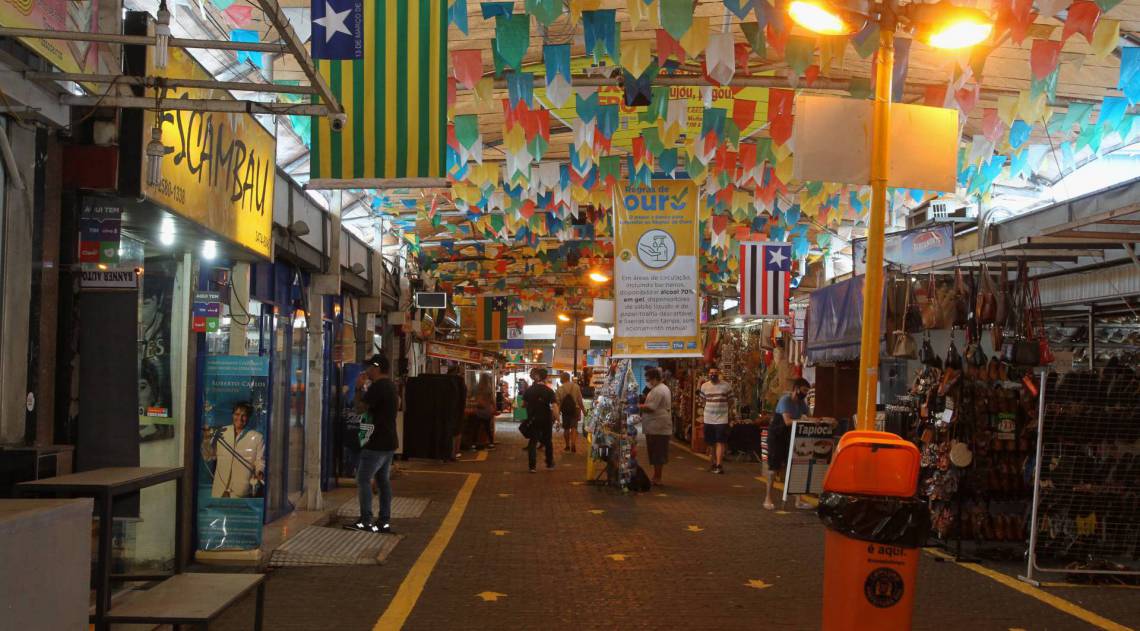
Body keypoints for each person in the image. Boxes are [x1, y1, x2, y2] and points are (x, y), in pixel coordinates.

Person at [347, 354, 399, 534]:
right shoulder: (391, 386)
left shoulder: (378, 387)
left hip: (376, 443)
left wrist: (358, 389)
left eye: (369, 367)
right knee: (383, 481)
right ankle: (384, 521)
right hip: (389, 441)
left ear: (376, 368)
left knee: (363, 479)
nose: (367, 370)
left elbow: (360, 408)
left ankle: (365, 520)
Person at [765, 377, 812, 510]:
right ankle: (768, 498)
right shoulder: (785, 400)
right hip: (777, 436)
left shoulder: (802, 403)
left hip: (792, 436)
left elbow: (809, 416)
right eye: (804, 390)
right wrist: (804, 420)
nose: (805, 393)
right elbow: (787, 421)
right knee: (774, 468)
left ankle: (799, 500)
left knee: (796, 466)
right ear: (796, 389)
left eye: (807, 391)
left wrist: (821, 420)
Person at [201, 402, 265, 498]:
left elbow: (260, 461)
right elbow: (208, 456)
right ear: (232, 415)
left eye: (244, 415)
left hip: (241, 492)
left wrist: (260, 472)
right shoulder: (221, 432)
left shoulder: (257, 437)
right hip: (219, 491)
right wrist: (206, 440)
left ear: (248, 417)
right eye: (237, 414)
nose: (239, 418)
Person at [637, 368, 672, 485]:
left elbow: (651, 407)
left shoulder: (659, 390)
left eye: (649, 380)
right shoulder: (657, 389)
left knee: (658, 454)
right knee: (655, 453)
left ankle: (658, 478)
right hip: (655, 427)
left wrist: (637, 406)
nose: (648, 382)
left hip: (658, 427)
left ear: (655, 378)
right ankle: (656, 477)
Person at [700, 367, 734, 474]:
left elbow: (731, 401)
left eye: (715, 373)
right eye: (711, 373)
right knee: (711, 442)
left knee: (720, 441)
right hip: (708, 418)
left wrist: (724, 410)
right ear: (708, 374)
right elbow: (702, 400)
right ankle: (713, 463)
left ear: (719, 373)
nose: (713, 375)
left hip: (721, 419)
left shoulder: (726, 386)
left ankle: (719, 465)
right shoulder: (704, 386)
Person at [523, 367, 557, 472]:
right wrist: (558, 420)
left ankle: (532, 467)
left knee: (533, 442)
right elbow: (554, 406)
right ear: (545, 378)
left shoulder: (529, 390)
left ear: (537, 377)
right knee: (548, 441)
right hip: (546, 419)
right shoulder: (549, 391)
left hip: (533, 418)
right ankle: (549, 463)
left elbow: (524, 404)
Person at [555, 371, 585, 453]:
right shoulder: (576, 387)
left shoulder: (560, 389)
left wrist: (557, 414)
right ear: (569, 378)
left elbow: (557, 403)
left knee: (566, 428)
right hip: (574, 410)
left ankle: (567, 445)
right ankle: (573, 444)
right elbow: (579, 400)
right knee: (574, 428)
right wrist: (584, 411)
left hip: (565, 411)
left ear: (562, 379)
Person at [472, 376, 497, 449]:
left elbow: (472, 396)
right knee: (487, 428)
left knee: (476, 428)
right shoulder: (488, 388)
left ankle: (474, 443)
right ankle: (491, 443)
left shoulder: (476, 388)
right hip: (487, 410)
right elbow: (492, 400)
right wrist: (494, 408)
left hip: (479, 410)